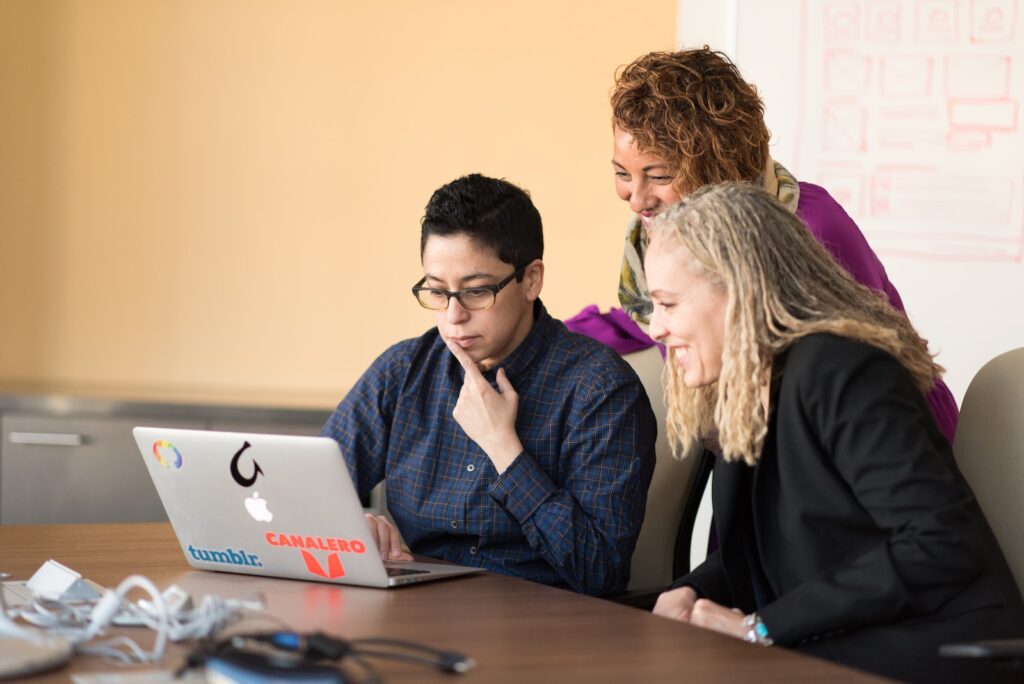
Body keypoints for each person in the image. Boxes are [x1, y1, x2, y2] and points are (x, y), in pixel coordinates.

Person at [644, 182, 1024, 683]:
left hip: (938, 651)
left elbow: (939, 543)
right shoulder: (744, 387)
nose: (654, 328)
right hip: (843, 641)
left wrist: (761, 629)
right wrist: (690, 593)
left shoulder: (844, 370)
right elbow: (760, 552)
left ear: (737, 290)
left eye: (667, 305)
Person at [320, 173, 656, 596]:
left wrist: (504, 448)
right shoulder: (404, 371)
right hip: (417, 614)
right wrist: (350, 526)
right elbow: (309, 492)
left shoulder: (600, 390)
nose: (454, 316)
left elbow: (599, 570)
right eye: (438, 292)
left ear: (531, 279)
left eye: (477, 292)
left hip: (543, 627)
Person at [604, 47, 959, 443]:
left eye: (658, 176)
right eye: (622, 173)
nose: (635, 200)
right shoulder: (661, 237)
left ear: (715, 167)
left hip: (889, 445)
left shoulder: (809, 225)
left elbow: (868, 370)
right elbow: (662, 315)